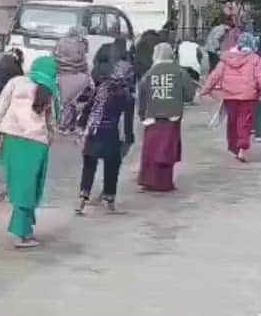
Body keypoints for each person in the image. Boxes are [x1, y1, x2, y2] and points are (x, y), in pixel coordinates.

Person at [0, 55, 58, 248]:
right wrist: (49, 140)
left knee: (19, 187)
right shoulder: (50, 90)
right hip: (36, 144)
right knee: (30, 188)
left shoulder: (16, 82)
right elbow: (52, 122)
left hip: (12, 139)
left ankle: (25, 229)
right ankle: (21, 233)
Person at [74, 60, 135, 215]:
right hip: (111, 136)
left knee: (88, 167)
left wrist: (81, 127)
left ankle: (81, 201)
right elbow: (127, 123)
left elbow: (88, 109)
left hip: (93, 133)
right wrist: (128, 140)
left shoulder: (101, 88)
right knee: (112, 167)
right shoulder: (127, 96)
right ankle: (109, 201)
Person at [201, 32, 261, 161]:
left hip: (229, 95)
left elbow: (216, 74)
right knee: (244, 122)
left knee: (232, 122)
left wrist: (206, 89)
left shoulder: (227, 57)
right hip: (247, 96)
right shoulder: (254, 59)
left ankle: (234, 146)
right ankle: (242, 149)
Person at [137, 43, 193, 192]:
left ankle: (148, 180)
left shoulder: (149, 73)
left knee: (150, 149)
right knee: (167, 149)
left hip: (152, 115)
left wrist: (142, 114)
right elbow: (189, 94)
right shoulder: (180, 72)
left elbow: (142, 94)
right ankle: (164, 182)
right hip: (172, 115)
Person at [54, 27, 93, 135]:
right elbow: (84, 59)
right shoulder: (81, 43)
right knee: (73, 102)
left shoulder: (60, 42)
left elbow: (54, 56)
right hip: (79, 75)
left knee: (65, 102)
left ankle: (64, 125)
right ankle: (70, 125)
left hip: (63, 74)